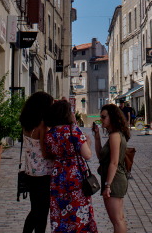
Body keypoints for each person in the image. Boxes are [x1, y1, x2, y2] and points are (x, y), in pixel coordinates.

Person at [43, 99, 98, 232]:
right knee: (78, 209)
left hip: (58, 176)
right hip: (75, 175)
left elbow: (48, 153)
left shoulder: (50, 134)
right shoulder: (74, 131)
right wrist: (88, 142)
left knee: (60, 210)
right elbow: (87, 155)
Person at [19, 91, 54, 233]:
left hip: (30, 172)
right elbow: (45, 153)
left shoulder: (27, 124)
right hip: (43, 174)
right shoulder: (42, 125)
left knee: (35, 209)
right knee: (42, 211)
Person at [92, 104, 130, 233]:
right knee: (119, 219)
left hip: (114, 179)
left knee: (117, 220)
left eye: (104, 117)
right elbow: (101, 157)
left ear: (112, 117)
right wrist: (97, 137)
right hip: (115, 178)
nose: (101, 119)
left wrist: (108, 185)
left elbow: (113, 162)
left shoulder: (115, 135)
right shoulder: (115, 134)